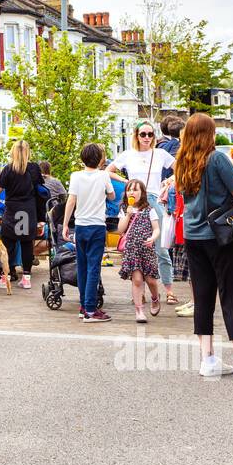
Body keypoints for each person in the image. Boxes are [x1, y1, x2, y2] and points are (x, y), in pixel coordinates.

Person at [174, 112, 233, 386]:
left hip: (193, 235)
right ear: (209, 133)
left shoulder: (182, 160)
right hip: (220, 235)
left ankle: (208, 359)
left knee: (203, 296)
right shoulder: (216, 158)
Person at [108, 121, 177, 303]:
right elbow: (109, 170)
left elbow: (180, 169)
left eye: (150, 134)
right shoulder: (128, 154)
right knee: (136, 247)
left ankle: (169, 290)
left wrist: (170, 179)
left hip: (153, 200)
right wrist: (128, 183)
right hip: (135, 202)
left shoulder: (160, 153)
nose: (147, 138)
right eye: (143, 134)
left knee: (161, 248)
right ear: (136, 135)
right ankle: (141, 292)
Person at [63, 142, 115, 323]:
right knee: (94, 268)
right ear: (100, 159)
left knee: (83, 267)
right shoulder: (104, 176)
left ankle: (84, 306)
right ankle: (91, 310)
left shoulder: (75, 176)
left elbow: (71, 201)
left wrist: (64, 225)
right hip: (97, 227)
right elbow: (112, 196)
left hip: (80, 226)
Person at [0, 139, 45, 290]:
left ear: (13, 152)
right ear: (28, 152)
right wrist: (41, 218)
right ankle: (26, 279)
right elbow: (39, 191)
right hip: (28, 209)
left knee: (8, 245)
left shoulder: (8, 169)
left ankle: (5, 277)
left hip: (12, 210)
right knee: (27, 244)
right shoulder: (34, 168)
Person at [117, 179, 161, 323]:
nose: (132, 192)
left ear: (142, 193)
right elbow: (120, 230)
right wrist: (128, 215)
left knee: (151, 280)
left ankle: (155, 298)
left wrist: (153, 238)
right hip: (132, 250)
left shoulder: (149, 210)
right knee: (137, 280)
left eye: (135, 189)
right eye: (129, 189)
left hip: (147, 250)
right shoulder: (124, 209)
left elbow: (156, 229)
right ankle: (139, 311)